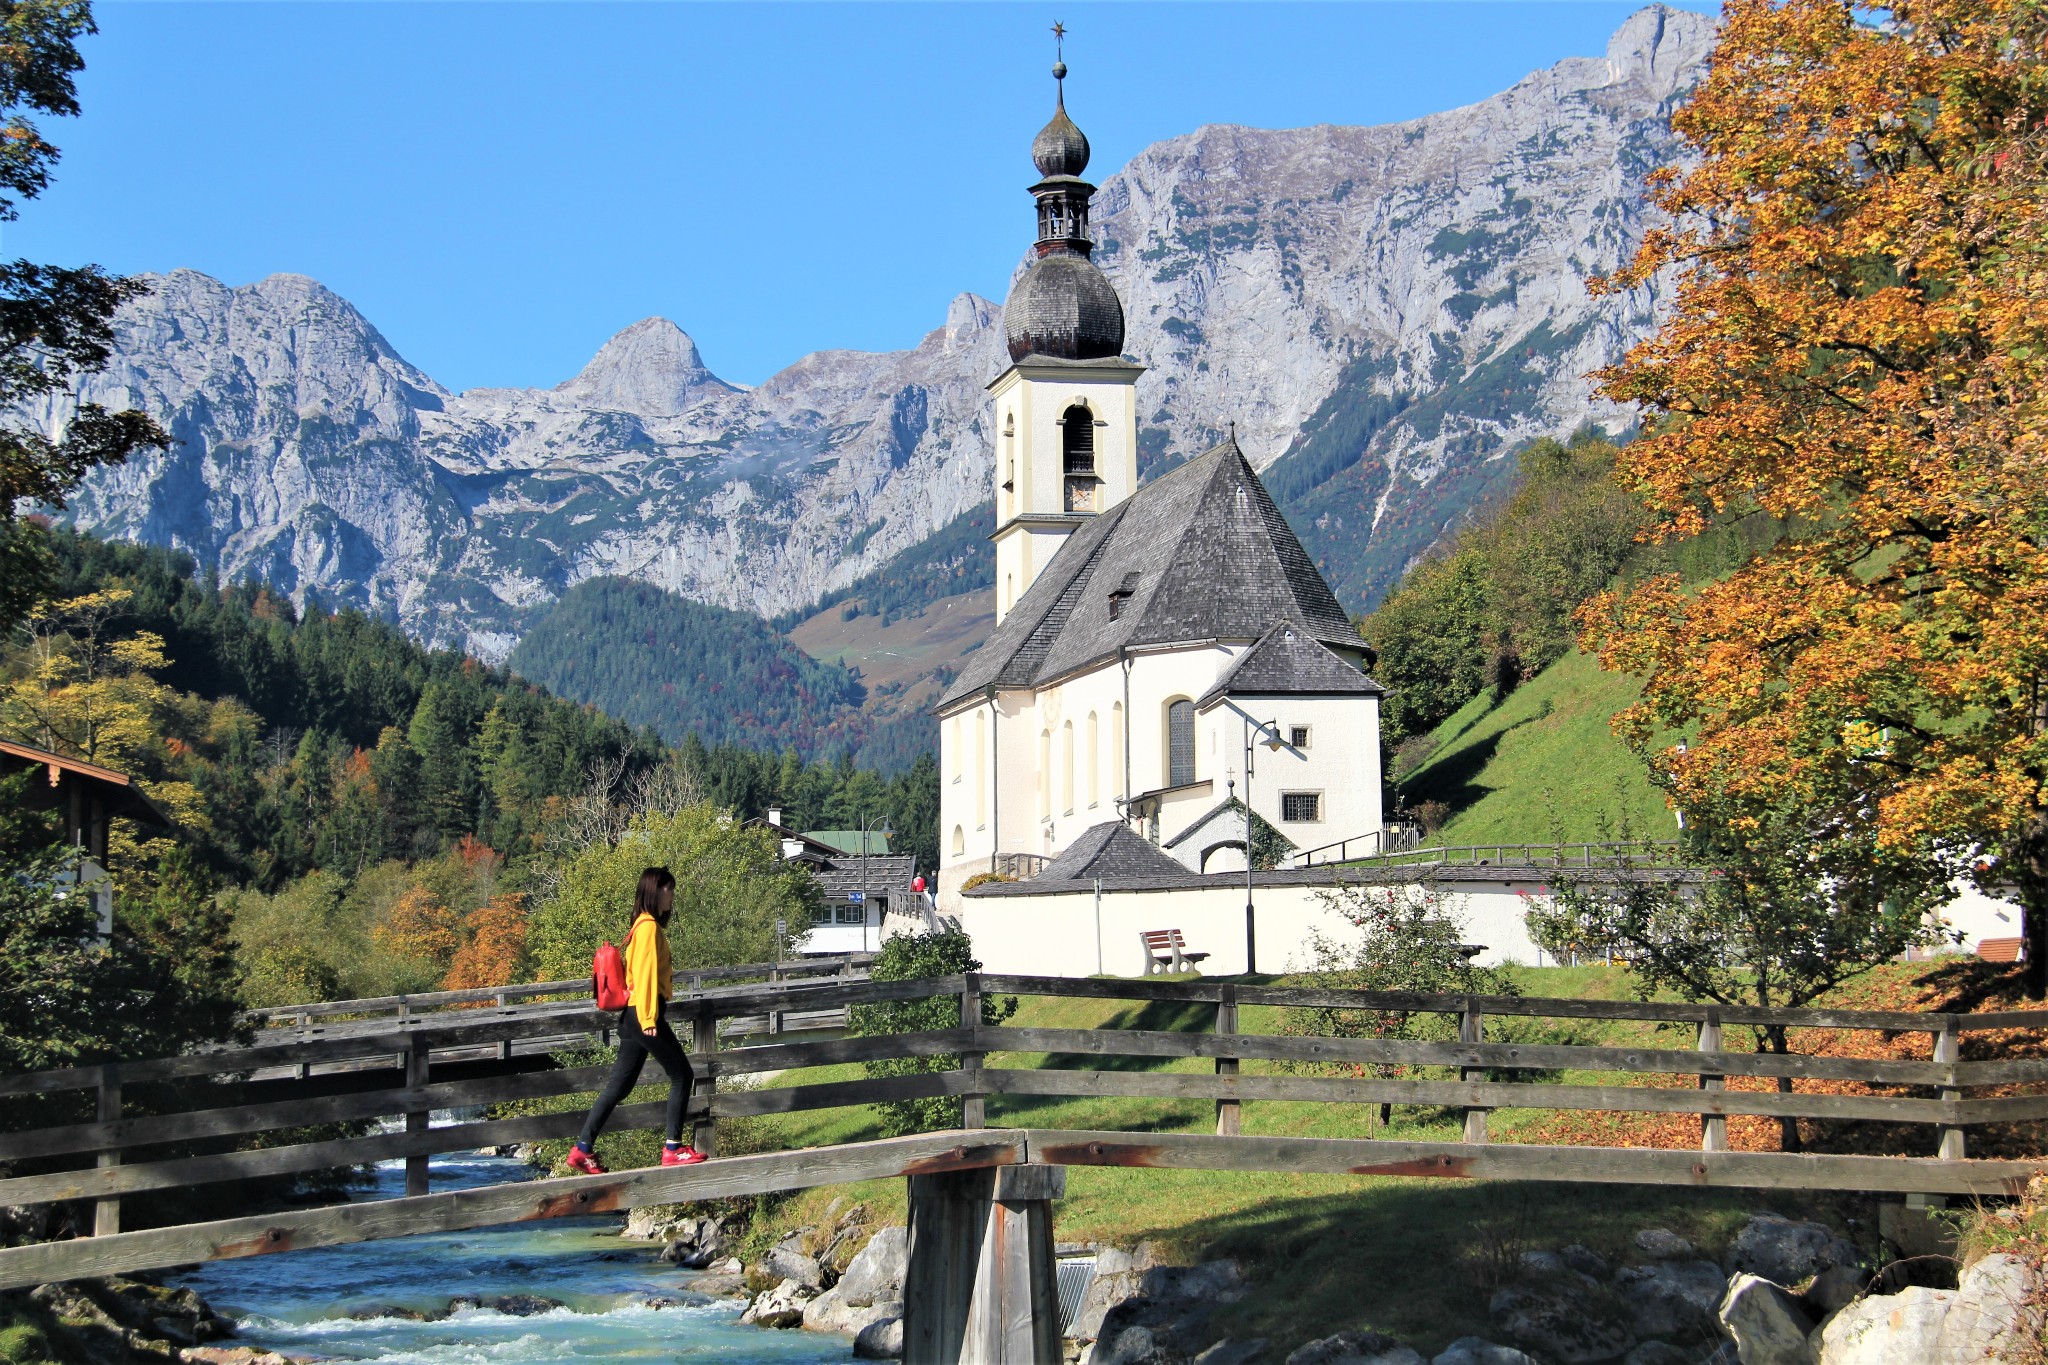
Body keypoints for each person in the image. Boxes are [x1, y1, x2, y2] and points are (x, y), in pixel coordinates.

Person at [567, 867, 706, 1173]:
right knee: (682, 1074)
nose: (673, 896)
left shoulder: (642, 926)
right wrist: (648, 1018)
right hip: (643, 1013)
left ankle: (582, 1149)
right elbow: (644, 977)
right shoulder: (648, 928)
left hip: (635, 1016)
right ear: (656, 891)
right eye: (670, 890)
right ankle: (673, 1148)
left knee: (620, 1085)